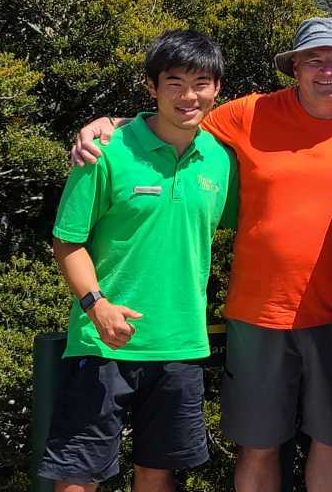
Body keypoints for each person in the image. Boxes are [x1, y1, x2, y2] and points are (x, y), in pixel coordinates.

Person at [72, 16, 332, 492]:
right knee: (259, 444)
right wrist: (113, 124)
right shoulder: (249, 113)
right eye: (315, 60)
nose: (327, 71)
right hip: (258, 313)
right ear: (294, 68)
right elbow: (181, 115)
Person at [37, 31, 237, 492]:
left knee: (158, 471)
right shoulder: (104, 152)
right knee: (77, 473)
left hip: (182, 342)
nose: (188, 95)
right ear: (152, 87)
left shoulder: (219, 162)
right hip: (103, 341)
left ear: (217, 89)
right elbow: (67, 240)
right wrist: (96, 304)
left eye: (201, 83)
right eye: (174, 82)